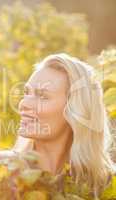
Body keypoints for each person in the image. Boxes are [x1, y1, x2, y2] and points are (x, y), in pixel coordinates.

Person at [14, 53, 115, 196]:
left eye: (42, 96)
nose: (23, 104)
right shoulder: (4, 176)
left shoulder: (106, 186)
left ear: (75, 111)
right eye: (26, 93)